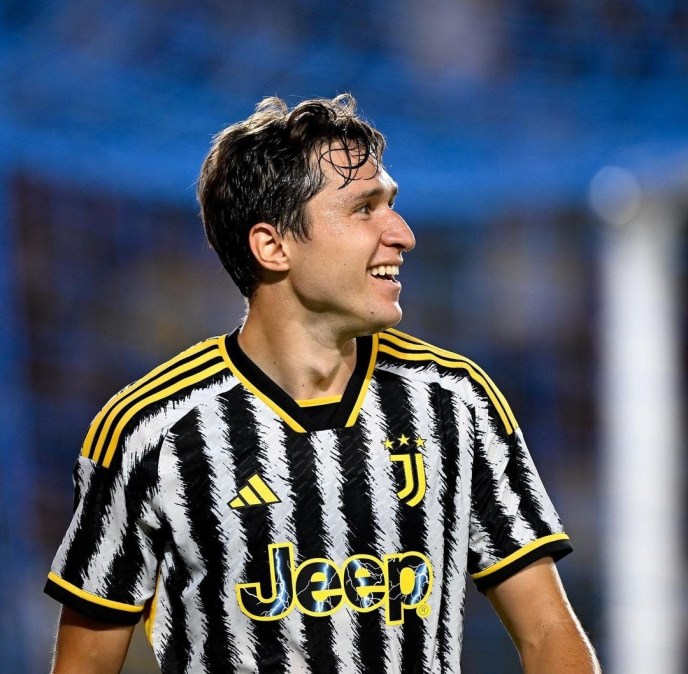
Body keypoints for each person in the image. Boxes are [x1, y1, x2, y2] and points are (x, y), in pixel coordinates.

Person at [46, 94, 601, 674]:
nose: (403, 234)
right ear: (273, 246)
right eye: (364, 209)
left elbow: (548, 633)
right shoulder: (151, 430)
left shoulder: (454, 401)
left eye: (390, 204)